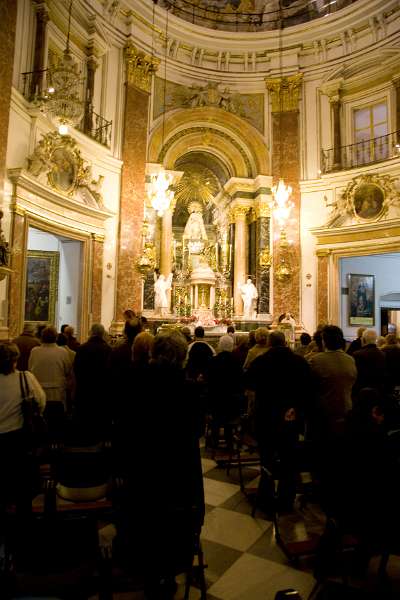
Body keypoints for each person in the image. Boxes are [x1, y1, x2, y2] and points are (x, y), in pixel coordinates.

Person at [0, 343, 46, 518]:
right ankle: (22, 530)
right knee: (21, 490)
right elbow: (40, 402)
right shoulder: (25, 378)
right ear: (15, 360)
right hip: (18, 441)